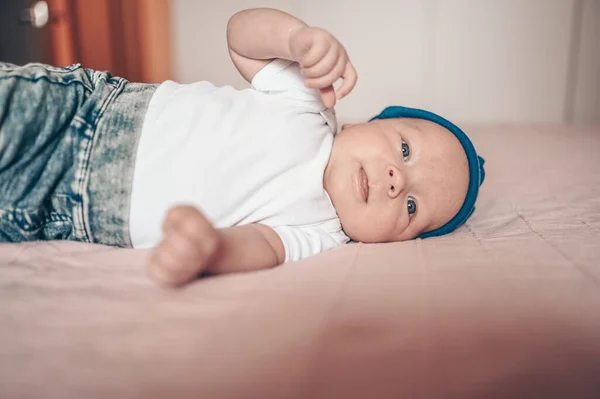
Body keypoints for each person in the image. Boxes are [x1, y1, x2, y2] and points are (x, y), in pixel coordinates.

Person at [0, 8, 485, 287]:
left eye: (413, 206)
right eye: (404, 150)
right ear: (365, 124)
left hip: (68, 212)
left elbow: (262, 247)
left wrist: (212, 248)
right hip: (87, 113)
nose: (399, 181)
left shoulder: (322, 234)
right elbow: (241, 38)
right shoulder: (310, 104)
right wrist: (298, 38)